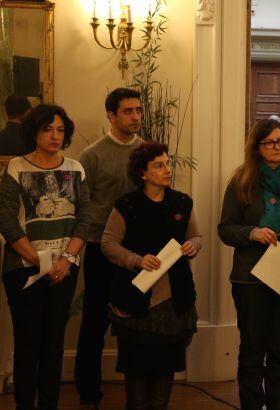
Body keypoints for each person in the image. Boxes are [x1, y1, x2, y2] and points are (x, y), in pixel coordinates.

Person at [218, 119, 280, 410]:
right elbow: (225, 229)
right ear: (257, 147)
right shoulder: (242, 181)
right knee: (252, 351)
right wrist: (252, 232)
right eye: (270, 143)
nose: (277, 147)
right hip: (251, 281)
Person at [0, 104, 91, 409]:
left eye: (60, 130)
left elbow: (86, 219)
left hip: (65, 268)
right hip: (23, 268)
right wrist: (42, 261)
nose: (55, 136)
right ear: (34, 132)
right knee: (28, 344)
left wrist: (65, 260)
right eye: (47, 129)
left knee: (53, 345)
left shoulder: (76, 168)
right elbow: (7, 220)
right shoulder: (16, 167)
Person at [101, 141, 202, 410]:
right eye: (159, 165)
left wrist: (194, 246)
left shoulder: (182, 202)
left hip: (174, 301)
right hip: (136, 302)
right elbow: (108, 244)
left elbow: (196, 235)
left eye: (168, 163)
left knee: (164, 371)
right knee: (137, 374)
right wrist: (136, 260)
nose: (166, 169)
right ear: (142, 173)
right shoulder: (127, 205)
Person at [75, 87, 144, 409]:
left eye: (138, 110)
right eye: (128, 111)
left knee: (138, 321)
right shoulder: (92, 155)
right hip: (100, 250)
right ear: (111, 115)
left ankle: (140, 393)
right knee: (94, 323)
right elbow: (83, 207)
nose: (135, 117)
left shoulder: (147, 152)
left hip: (138, 251)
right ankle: (89, 396)